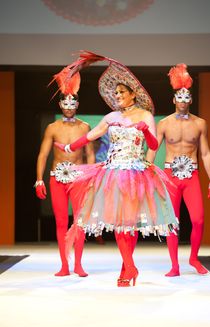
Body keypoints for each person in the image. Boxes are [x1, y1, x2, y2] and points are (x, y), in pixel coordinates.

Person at [53, 51, 178, 287]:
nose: (117, 95)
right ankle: (130, 267)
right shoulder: (110, 116)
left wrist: (145, 129)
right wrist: (69, 146)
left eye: (122, 92)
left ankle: (126, 268)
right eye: (116, 92)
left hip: (136, 173)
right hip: (112, 173)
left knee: (129, 224)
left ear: (133, 94)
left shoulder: (145, 115)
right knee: (119, 224)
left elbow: (153, 145)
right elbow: (91, 135)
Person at [156, 63, 210, 277]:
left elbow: (206, 153)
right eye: (179, 97)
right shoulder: (163, 124)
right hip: (170, 176)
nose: (182, 100)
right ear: (174, 100)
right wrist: (148, 172)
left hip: (191, 175)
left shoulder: (200, 123)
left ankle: (193, 257)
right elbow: (153, 149)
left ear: (190, 99)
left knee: (198, 219)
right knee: (172, 222)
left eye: (186, 97)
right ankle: (174, 265)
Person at [35, 82, 95, 276]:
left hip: (78, 178)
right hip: (57, 179)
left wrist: (91, 178)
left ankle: (78, 264)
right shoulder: (52, 128)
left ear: (77, 105)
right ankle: (64, 265)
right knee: (61, 222)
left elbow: (90, 154)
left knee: (79, 221)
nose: (69, 107)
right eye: (65, 103)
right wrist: (39, 180)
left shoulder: (85, 127)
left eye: (72, 104)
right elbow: (43, 155)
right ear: (61, 105)